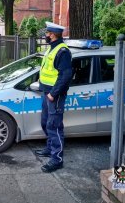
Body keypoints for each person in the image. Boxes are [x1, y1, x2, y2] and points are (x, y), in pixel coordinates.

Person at [35, 22, 72, 173]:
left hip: (54, 95)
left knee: (54, 126)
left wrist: (53, 94)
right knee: (45, 122)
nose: (46, 35)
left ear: (53, 34)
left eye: (48, 33)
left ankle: (57, 159)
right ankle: (50, 148)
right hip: (47, 92)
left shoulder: (62, 51)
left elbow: (66, 75)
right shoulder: (52, 48)